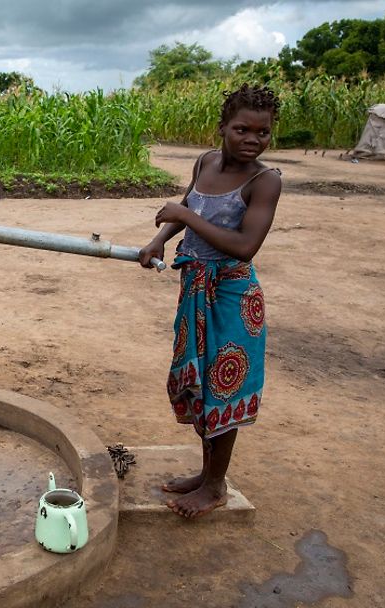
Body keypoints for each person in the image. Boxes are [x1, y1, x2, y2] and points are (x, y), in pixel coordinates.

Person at [138, 84, 282, 519]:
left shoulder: (265, 181)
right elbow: (186, 206)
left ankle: (216, 486)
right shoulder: (205, 163)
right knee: (201, 385)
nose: (252, 139)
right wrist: (159, 240)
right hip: (196, 292)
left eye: (263, 132)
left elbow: (244, 245)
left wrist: (184, 218)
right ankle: (206, 474)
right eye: (242, 129)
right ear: (222, 127)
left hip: (233, 297)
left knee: (224, 387)